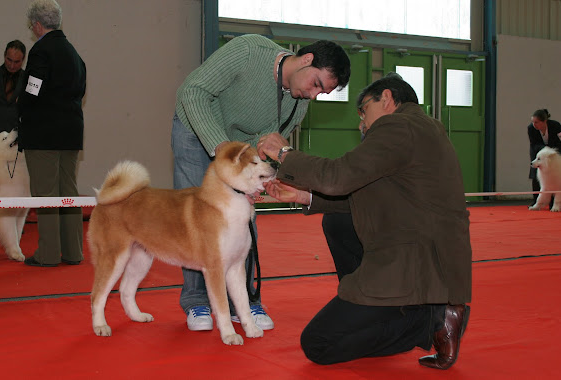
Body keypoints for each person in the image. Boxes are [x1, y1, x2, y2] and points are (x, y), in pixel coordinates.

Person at [258, 73, 472, 369]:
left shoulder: (397, 126)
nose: (362, 122)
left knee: (318, 344)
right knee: (337, 223)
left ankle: (429, 320)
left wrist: (285, 153)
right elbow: (368, 195)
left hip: (414, 261)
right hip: (428, 254)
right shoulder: (424, 129)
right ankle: (396, 308)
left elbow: (339, 177)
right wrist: (302, 197)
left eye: (363, 111)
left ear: (385, 99)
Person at [172, 33, 350, 332]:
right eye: (317, 84)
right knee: (198, 217)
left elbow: (265, 141)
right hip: (195, 130)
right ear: (306, 60)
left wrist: (257, 175)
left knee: (243, 216)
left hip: (238, 150)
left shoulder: (298, 103)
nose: (313, 95)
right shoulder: (248, 50)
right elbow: (193, 91)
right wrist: (220, 150)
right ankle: (196, 300)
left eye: (323, 93)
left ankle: (246, 300)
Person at [18, 0, 86, 267]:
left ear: (36, 24)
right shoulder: (73, 52)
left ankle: (47, 254)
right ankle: (73, 251)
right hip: (71, 132)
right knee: (68, 191)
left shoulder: (40, 52)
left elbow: (34, 89)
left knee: (45, 192)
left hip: (44, 133)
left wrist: (20, 107)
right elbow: (79, 91)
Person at [0, 40, 26, 135]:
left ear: (23, 59)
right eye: (9, 60)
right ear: (4, 56)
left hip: (16, 136)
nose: (12, 65)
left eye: (16, 62)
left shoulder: (28, 80)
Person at [527, 108, 561, 204]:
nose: (534, 124)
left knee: (555, 177)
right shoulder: (531, 128)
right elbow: (534, 143)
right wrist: (544, 149)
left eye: (536, 122)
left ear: (544, 121)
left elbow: (559, 142)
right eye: (533, 122)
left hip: (554, 154)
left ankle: (553, 203)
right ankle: (536, 201)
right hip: (538, 152)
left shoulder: (556, 126)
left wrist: (551, 152)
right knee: (535, 174)